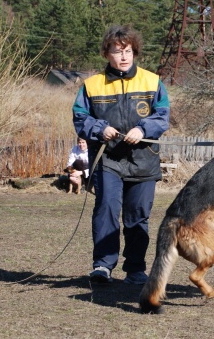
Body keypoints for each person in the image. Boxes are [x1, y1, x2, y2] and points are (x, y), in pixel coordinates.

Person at [72, 24, 170, 284]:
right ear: (107, 54)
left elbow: (162, 116)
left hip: (144, 160)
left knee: (138, 216)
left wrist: (142, 128)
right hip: (107, 159)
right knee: (105, 209)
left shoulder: (152, 81)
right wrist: (99, 128)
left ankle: (135, 269)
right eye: (117, 51)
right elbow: (80, 116)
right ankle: (103, 266)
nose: (124, 56)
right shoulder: (91, 85)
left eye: (128, 51)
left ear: (134, 51)